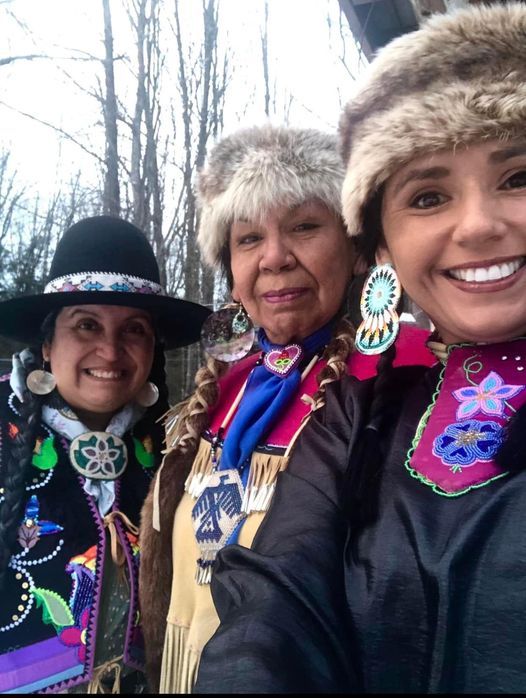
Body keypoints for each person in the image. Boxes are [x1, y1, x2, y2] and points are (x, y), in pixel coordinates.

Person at [192, 3, 526, 694]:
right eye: (430, 196)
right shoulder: (359, 407)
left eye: (518, 178)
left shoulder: (384, 366)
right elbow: (278, 599)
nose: (478, 224)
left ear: (354, 251)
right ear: (386, 241)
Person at [138, 124, 434, 693]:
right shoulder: (219, 390)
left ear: (353, 250)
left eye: (303, 226)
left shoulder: (411, 375)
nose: (274, 258)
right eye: (249, 238)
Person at [0, 216, 210, 694]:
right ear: (48, 344)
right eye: (87, 325)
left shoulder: (175, 453)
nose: (110, 351)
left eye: (133, 330)